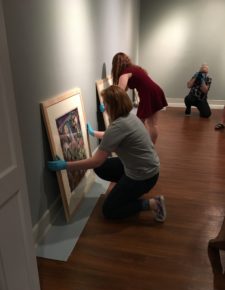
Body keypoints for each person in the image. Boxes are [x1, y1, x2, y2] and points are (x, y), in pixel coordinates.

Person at [48, 85, 166, 222]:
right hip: (148, 168)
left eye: (105, 103)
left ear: (112, 106)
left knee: (109, 210)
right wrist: (93, 134)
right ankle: (127, 191)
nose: (103, 106)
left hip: (144, 177)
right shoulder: (129, 118)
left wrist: (65, 165)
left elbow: (95, 161)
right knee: (102, 167)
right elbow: (112, 136)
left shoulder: (118, 126)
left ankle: (152, 204)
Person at [110, 52, 168, 144]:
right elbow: (124, 89)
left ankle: (148, 146)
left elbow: (119, 93)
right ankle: (144, 144)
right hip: (155, 91)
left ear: (116, 65)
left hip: (149, 95)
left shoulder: (124, 74)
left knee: (149, 123)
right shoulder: (134, 69)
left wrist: (108, 102)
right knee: (144, 122)